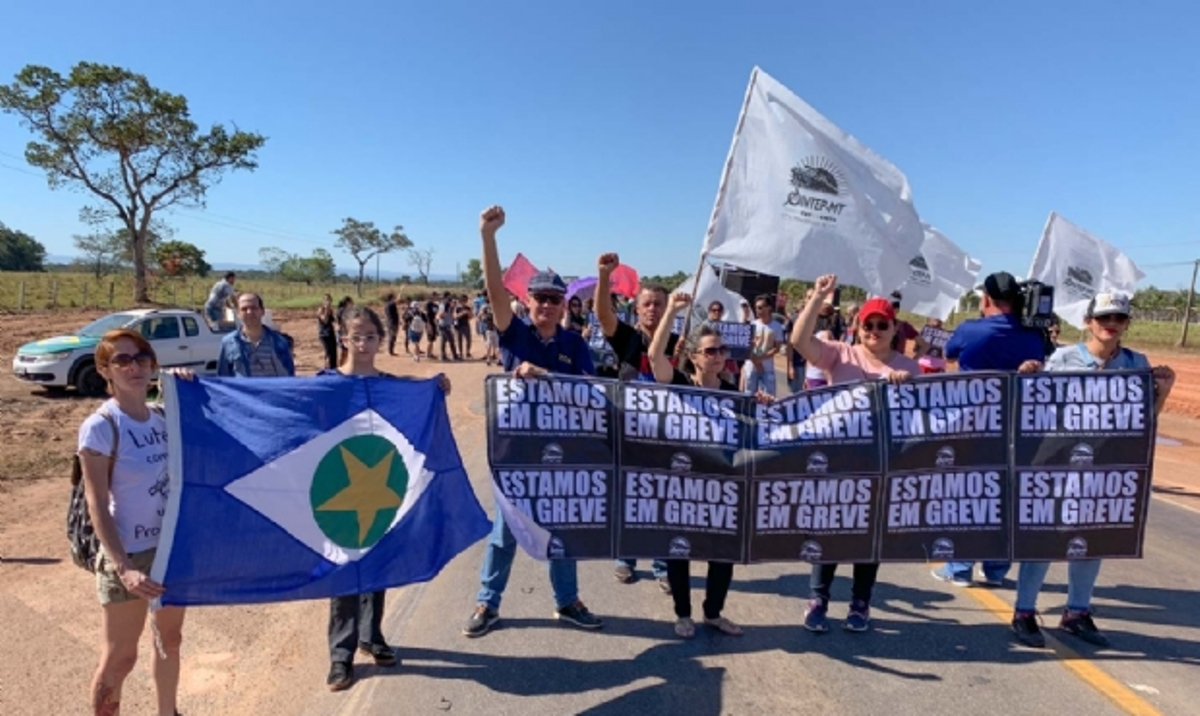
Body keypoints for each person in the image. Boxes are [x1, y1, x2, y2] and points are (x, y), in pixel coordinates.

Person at [464, 205, 603, 638]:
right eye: (539, 298)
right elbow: (493, 289)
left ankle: (567, 601)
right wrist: (488, 237)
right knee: (506, 533)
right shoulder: (515, 333)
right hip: (516, 453)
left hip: (562, 454)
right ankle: (487, 604)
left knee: (562, 528)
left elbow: (591, 393)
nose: (545, 304)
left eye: (553, 299)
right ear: (527, 301)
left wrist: (545, 375)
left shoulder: (575, 344)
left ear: (565, 305)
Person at [1010, 293, 1175, 649]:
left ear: (1127, 324)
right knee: (1045, 536)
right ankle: (1024, 611)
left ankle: (1077, 612)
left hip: (1103, 468)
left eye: (1118, 318)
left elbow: (1146, 420)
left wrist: (1163, 391)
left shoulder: (1136, 363)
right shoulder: (1064, 359)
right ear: (1088, 322)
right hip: (1057, 465)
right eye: (1103, 318)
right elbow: (1035, 411)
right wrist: (1029, 378)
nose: (1110, 324)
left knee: (1091, 539)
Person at [319, 305, 452, 690]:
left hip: (379, 488)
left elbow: (406, 386)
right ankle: (340, 656)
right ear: (343, 338)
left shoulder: (386, 383)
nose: (363, 343)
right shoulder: (325, 384)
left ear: (380, 339)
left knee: (377, 566)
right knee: (344, 568)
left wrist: (432, 383)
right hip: (335, 489)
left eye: (370, 336)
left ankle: (371, 636)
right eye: (356, 336)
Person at [790, 274, 918, 633]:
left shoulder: (907, 368)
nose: (874, 331)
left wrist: (908, 387)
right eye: (868, 324)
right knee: (831, 528)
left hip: (881, 462)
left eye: (882, 325)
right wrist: (817, 297)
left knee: (869, 535)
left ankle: (861, 602)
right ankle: (819, 598)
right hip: (838, 459)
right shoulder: (839, 354)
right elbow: (799, 341)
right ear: (858, 327)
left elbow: (923, 417)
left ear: (895, 329)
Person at [77, 329, 185, 716]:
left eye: (141, 358)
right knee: (121, 658)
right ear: (105, 369)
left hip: (167, 549)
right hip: (129, 557)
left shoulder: (162, 417)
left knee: (169, 641)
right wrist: (123, 568)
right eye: (121, 360)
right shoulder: (102, 426)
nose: (134, 366)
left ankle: (168, 712)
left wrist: (188, 389)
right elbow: (96, 504)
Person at [932, 271, 1048, 588]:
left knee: (968, 494)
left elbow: (949, 353)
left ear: (985, 299)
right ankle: (996, 568)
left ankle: (959, 566)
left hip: (971, 426)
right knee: (1005, 498)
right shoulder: (1034, 336)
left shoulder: (971, 329)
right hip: (1016, 427)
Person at [648, 293, 747, 639]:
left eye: (722, 350)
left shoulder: (734, 391)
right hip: (683, 485)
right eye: (710, 351)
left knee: (723, 553)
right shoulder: (678, 385)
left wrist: (760, 405)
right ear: (692, 356)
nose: (718, 357)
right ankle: (683, 614)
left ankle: (713, 613)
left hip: (721, 485)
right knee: (680, 549)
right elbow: (654, 356)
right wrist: (673, 311)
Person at [595, 253, 675, 590]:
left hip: (667, 433)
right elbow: (602, 313)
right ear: (637, 308)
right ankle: (625, 559)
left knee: (662, 500)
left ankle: (662, 565)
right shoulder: (626, 336)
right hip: (628, 430)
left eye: (659, 303)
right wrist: (604, 276)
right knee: (628, 498)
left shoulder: (678, 342)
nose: (653, 309)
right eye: (647, 304)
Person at [216, 293, 296, 378]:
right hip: (244, 391)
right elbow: (223, 379)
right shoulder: (228, 342)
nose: (249, 312)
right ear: (238, 314)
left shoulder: (279, 342)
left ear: (262, 311)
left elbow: (289, 376)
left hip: (272, 391)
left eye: (254, 308)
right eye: (244, 309)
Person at [742, 295, 784, 396]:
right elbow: (747, 345)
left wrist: (761, 359)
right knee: (749, 394)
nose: (758, 310)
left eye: (760, 307)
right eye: (756, 307)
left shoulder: (777, 326)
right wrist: (756, 362)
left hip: (768, 367)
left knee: (769, 395)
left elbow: (777, 347)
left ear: (769, 308)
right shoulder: (753, 324)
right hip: (751, 366)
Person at [317, 293, 338, 370]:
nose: (328, 301)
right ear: (323, 301)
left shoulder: (330, 310)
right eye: (326, 300)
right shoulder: (321, 310)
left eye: (329, 300)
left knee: (334, 352)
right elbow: (324, 320)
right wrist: (326, 310)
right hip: (324, 334)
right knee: (328, 352)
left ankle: (333, 368)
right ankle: (327, 369)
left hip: (331, 333)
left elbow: (334, 321)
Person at [478, 299, 499, 366]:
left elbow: (480, 315)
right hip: (496, 328)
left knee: (489, 344)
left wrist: (481, 320)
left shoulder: (485, 308)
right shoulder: (495, 307)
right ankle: (498, 359)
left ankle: (488, 359)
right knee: (497, 345)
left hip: (488, 328)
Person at [336, 296, 355, 366]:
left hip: (343, 332)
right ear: (347, 302)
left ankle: (343, 366)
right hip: (343, 333)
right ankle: (340, 367)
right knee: (344, 352)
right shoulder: (343, 311)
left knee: (346, 352)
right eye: (351, 302)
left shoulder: (342, 310)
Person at [383, 292, 401, 356]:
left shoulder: (386, 305)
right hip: (393, 322)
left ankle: (390, 350)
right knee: (392, 337)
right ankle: (391, 351)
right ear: (391, 298)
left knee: (390, 336)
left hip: (389, 322)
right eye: (394, 297)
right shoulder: (391, 304)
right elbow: (398, 300)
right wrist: (400, 291)